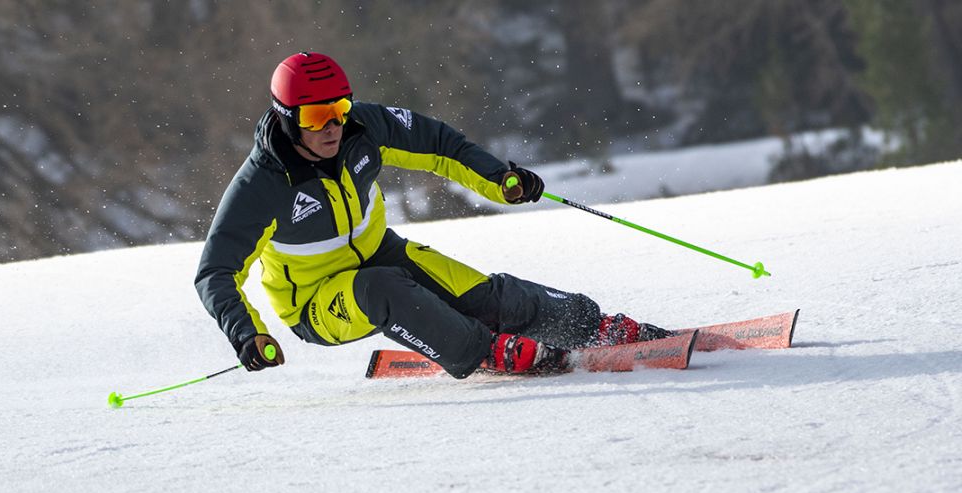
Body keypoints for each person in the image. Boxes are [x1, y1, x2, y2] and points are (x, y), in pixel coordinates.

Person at [195, 52, 670, 378]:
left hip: (382, 252)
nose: (334, 126)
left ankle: (593, 325)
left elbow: (441, 145)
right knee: (380, 289)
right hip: (318, 304)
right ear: (286, 117)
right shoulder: (261, 185)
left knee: (483, 295)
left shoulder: (363, 127)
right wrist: (247, 334)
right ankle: (485, 351)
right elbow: (215, 272)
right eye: (316, 117)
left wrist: (501, 180)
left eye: (338, 109)